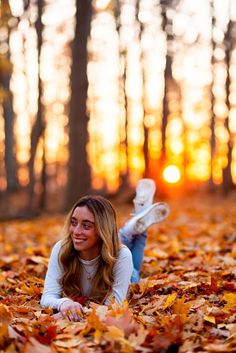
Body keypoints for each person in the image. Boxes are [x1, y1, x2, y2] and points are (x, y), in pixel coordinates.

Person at [40, 179, 169, 321]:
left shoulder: (122, 256)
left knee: (133, 272)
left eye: (86, 225)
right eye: (74, 222)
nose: (76, 231)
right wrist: (64, 304)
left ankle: (137, 217)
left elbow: (113, 307)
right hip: (107, 246)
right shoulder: (62, 249)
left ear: (102, 229)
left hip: (120, 265)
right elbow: (47, 296)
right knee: (122, 249)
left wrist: (74, 315)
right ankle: (136, 219)